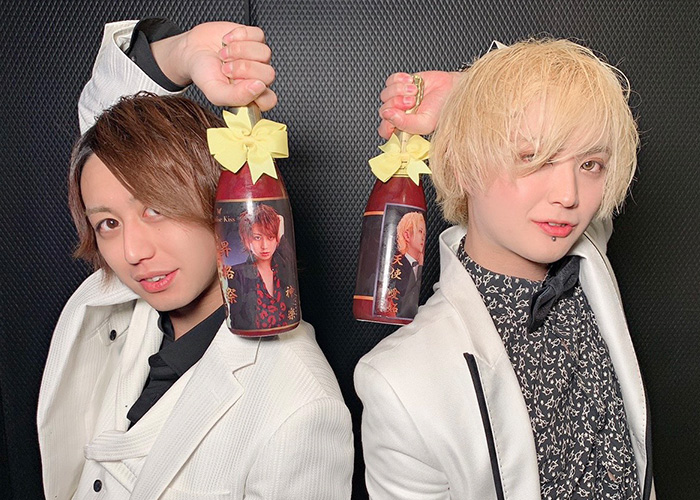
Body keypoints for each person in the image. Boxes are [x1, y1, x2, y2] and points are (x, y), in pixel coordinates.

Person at [37, 25, 353, 498]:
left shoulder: (301, 405)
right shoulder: (126, 306)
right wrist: (183, 52)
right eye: (108, 223)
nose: (133, 252)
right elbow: (106, 131)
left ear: (221, 201)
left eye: (155, 210)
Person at [355, 39, 655, 499]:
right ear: (461, 166)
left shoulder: (588, 247)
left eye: (590, 165)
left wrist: (472, 93)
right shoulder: (402, 382)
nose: (569, 195)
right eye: (533, 158)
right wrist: (477, 112)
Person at [227, 204, 299, 331]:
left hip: (289, 337)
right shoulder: (237, 273)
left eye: (270, 237)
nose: (264, 246)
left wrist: (280, 235)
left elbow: (291, 263)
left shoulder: (283, 268)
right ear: (247, 240)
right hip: (252, 340)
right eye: (257, 237)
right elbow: (236, 320)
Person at [384, 211, 425, 318]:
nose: (423, 237)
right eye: (420, 231)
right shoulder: (397, 265)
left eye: (424, 234)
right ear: (407, 235)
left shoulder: (420, 264)